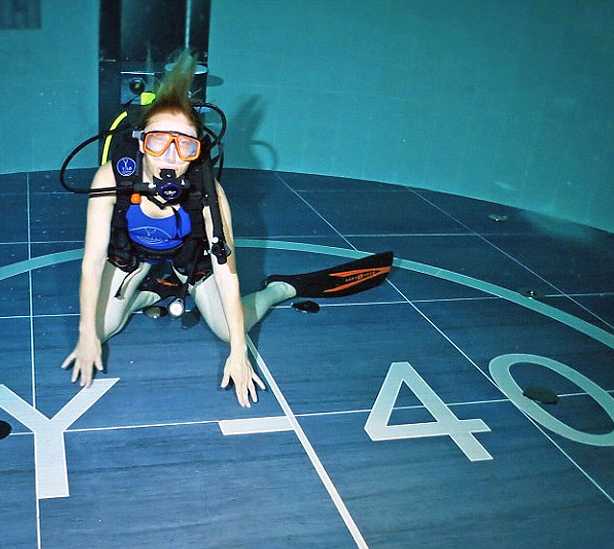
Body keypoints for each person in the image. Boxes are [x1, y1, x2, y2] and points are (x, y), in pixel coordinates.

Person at [63, 51, 392, 407]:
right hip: (133, 256)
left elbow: (227, 273)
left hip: (190, 256)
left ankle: (278, 289)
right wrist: (85, 333)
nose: (170, 155)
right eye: (158, 141)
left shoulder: (208, 193)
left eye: (185, 145)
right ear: (142, 142)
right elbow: (92, 261)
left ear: (197, 150)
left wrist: (239, 351)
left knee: (226, 329)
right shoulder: (112, 178)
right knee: (99, 330)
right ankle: (154, 292)